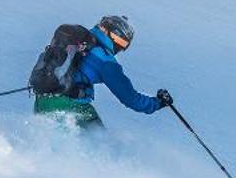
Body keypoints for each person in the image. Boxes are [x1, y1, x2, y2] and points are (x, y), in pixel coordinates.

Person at [33, 14, 174, 129]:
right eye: (120, 41)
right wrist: (158, 103)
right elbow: (131, 99)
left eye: (124, 44)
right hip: (72, 107)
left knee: (52, 147)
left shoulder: (80, 44)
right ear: (111, 35)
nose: (119, 46)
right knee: (99, 145)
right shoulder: (105, 61)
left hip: (43, 100)